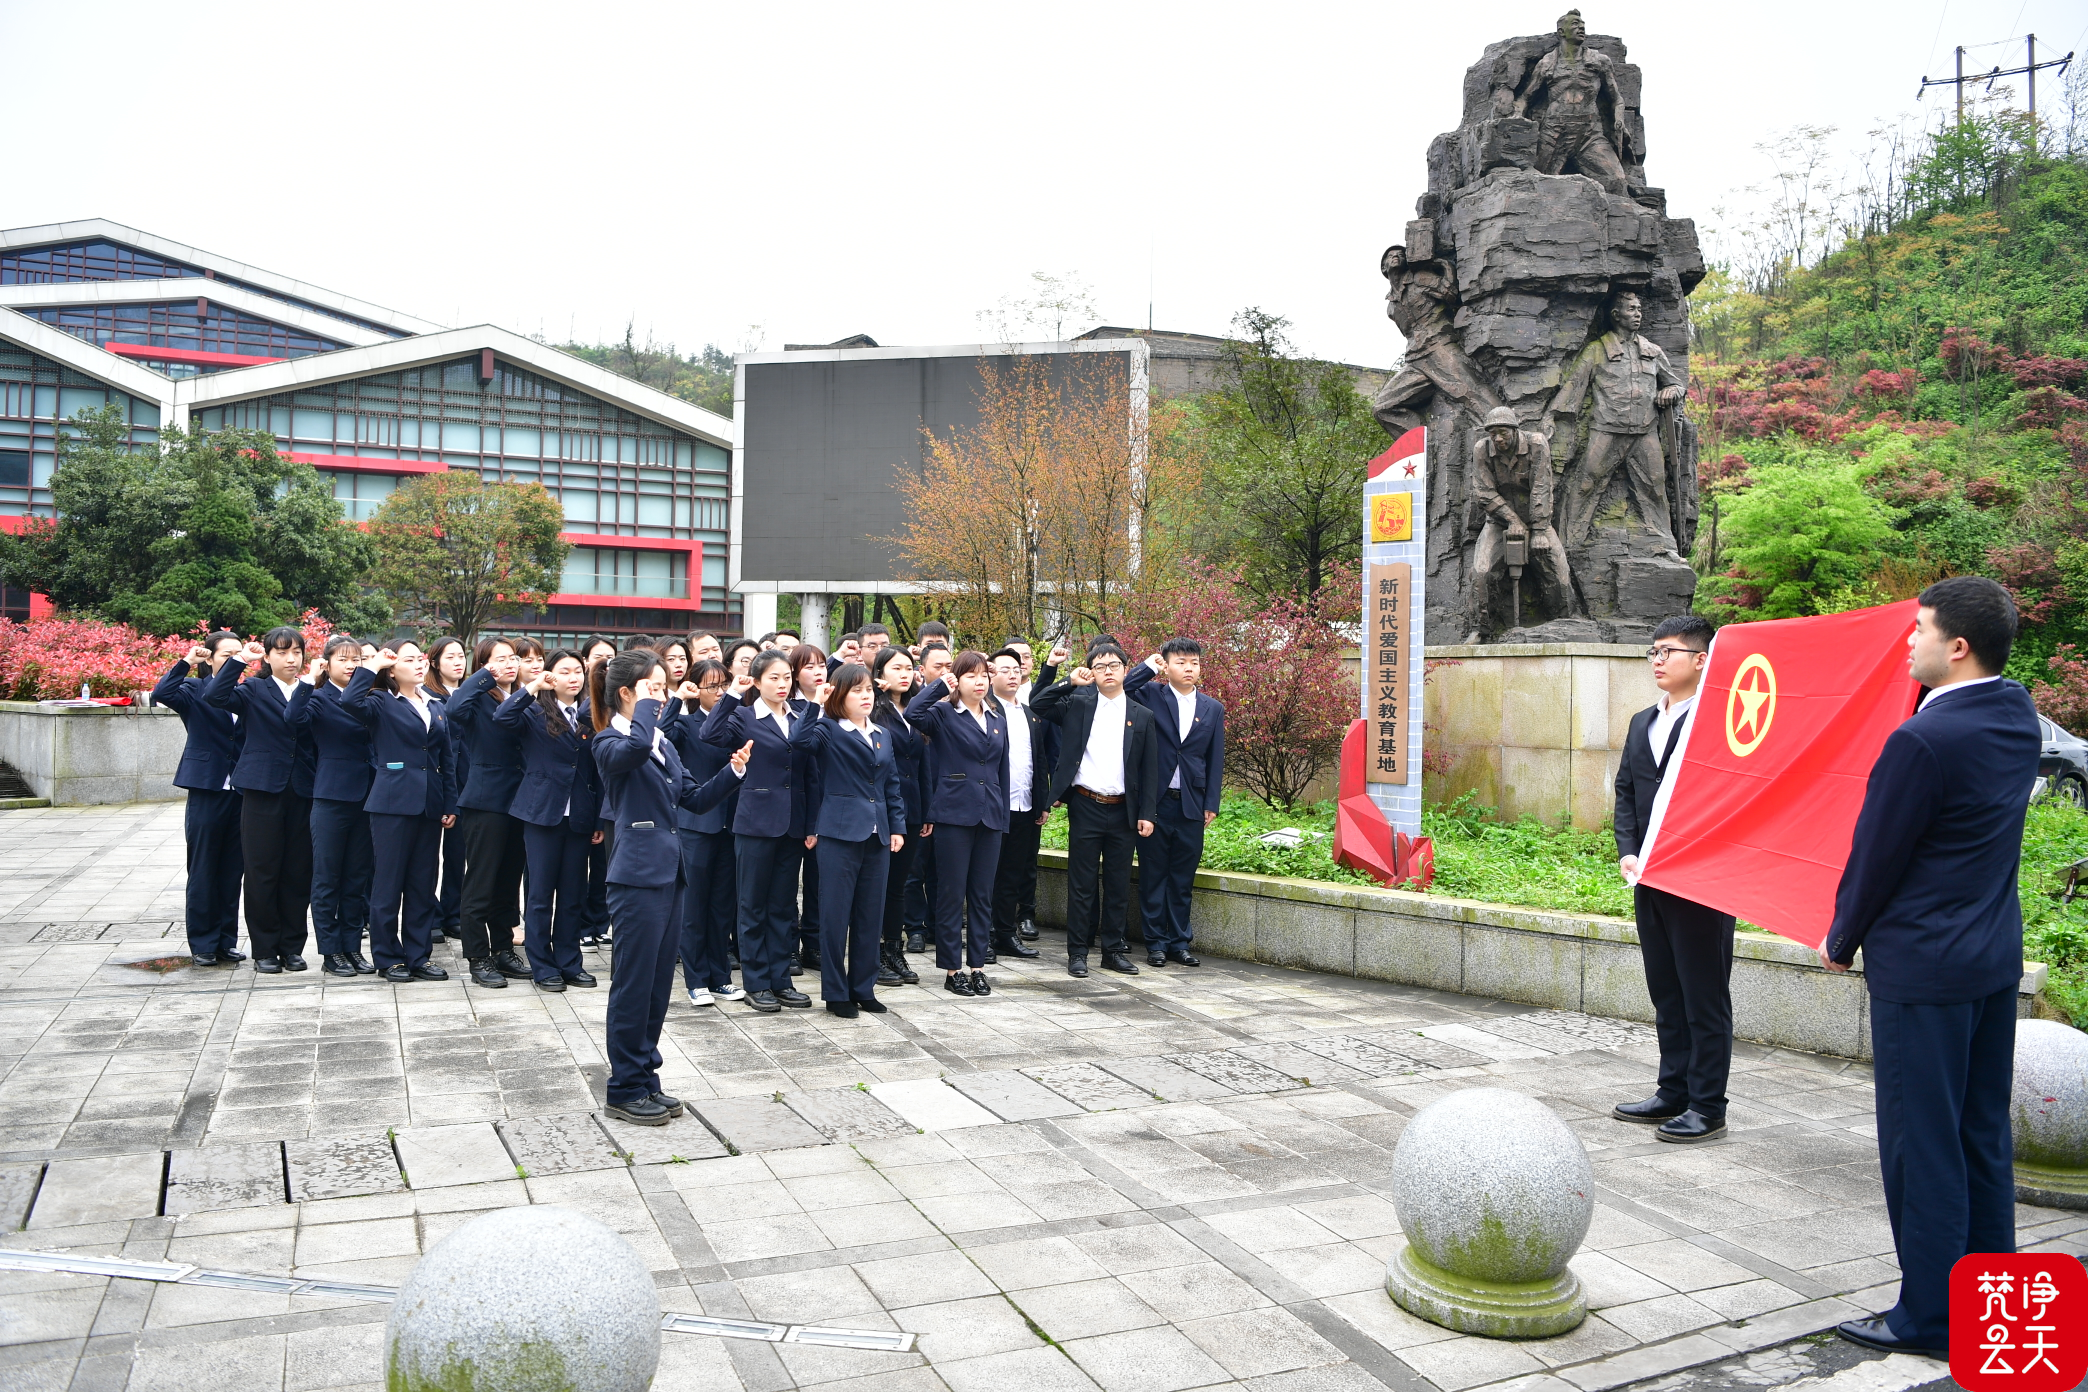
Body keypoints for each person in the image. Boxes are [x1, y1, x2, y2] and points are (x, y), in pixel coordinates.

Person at [1824, 577, 2041, 1359]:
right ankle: (1992, 1299)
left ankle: (1929, 1318)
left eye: (1918, 629)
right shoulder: (2015, 717)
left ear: (1957, 647)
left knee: (1922, 1145)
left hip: (1922, 967)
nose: (1907, 641)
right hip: (1989, 959)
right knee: (1981, 1133)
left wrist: (1841, 937)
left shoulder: (1920, 739)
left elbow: (1878, 854)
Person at [591, 649, 746, 1125]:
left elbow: (694, 799)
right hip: (635, 876)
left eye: (661, 689)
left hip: (669, 870)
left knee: (658, 987)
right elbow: (632, 750)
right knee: (633, 985)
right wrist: (644, 709)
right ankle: (623, 1087)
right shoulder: (610, 741)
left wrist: (734, 771)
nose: (661, 697)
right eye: (652, 689)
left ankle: (646, 1077)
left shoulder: (658, 740)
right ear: (626, 693)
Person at [1612, 615, 1735, 1143]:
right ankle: (1673, 1090)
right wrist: (1629, 852)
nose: (1658, 661)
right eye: (1653, 652)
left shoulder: (1719, 721)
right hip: (1650, 879)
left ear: (1701, 659)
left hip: (1701, 882)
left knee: (1704, 995)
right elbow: (1626, 793)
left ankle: (1708, 1105)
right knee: (1665, 989)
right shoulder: (1643, 722)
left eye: (1669, 651)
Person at [1032, 645, 1159, 978]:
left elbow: (1150, 770)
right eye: (1099, 665)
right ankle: (1077, 952)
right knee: (1082, 883)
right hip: (1086, 804)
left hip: (1124, 811)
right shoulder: (1078, 704)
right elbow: (1038, 703)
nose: (1107, 670)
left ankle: (1113, 951)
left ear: (1126, 670)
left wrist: (1148, 813)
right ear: (1091, 671)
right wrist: (1069, 681)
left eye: (1114, 664)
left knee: (1118, 885)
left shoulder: (1142, 715)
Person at [791, 664, 908, 1016]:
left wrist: (898, 827)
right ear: (840, 695)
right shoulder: (827, 729)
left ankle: (863, 987)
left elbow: (891, 785)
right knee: (834, 914)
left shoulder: (882, 734)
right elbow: (798, 741)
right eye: (857, 690)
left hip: (878, 833)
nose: (866, 696)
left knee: (870, 914)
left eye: (869, 690)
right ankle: (836, 992)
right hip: (839, 832)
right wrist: (815, 703)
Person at [702, 649, 813, 1012]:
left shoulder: (800, 714)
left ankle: (781, 980)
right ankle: (756, 982)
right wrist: (734, 691)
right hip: (755, 822)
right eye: (773, 678)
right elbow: (710, 733)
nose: (782, 684)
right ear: (758, 680)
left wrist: (811, 824)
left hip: (793, 823)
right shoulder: (744, 717)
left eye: (786, 678)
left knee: (783, 905)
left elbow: (810, 774)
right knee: (751, 904)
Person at [207, 626, 318, 973]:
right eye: (282, 652)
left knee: (298, 871)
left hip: (303, 788)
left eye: (296, 652)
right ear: (268, 657)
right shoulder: (255, 688)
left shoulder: (312, 689)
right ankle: (265, 949)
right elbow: (215, 696)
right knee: (261, 870)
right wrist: (240, 660)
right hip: (261, 789)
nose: (291, 659)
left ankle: (293, 947)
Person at [348, 642, 459, 981]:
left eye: (421, 658)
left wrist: (449, 802)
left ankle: (418, 955)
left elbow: (446, 759)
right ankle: (387, 957)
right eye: (408, 659)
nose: (418, 664)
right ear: (392, 669)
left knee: (423, 884)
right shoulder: (381, 701)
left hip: (429, 804)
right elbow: (349, 701)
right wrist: (372, 666)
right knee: (388, 883)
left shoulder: (435, 705)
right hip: (392, 803)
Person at [495, 649, 602, 993]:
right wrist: (532, 687)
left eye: (578, 672)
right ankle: (542, 965)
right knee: (540, 894)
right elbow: (501, 718)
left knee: (573, 894)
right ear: (551, 676)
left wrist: (598, 816)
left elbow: (597, 771)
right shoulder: (535, 711)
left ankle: (570, 962)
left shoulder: (590, 714)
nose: (573, 678)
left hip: (580, 815)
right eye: (565, 671)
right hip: (542, 813)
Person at [906, 651, 1010, 997]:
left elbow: (1001, 770)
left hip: (990, 814)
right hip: (953, 814)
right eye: (971, 676)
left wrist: (1002, 814)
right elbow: (912, 713)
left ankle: (977, 966)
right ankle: (953, 970)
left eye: (984, 676)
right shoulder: (943, 713)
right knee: (951, 894)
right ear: (958, 679)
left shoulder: (997, 715)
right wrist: (939, 686)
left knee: (982, 895)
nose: (979, 682)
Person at [1125, 638, 1225, 967]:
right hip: (1155, 802)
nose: (1189, 668)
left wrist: (1211, 801)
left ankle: (1179, 941)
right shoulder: (1151, 694)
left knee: (1182, 877)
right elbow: (1120, 688)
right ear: (1167, 666)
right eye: (1181, 662)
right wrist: (1149, 667)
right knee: (1154, 875)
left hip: (1192, 804)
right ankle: (1155, 942)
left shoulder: (1212, 707)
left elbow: (1215, 758)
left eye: (1194, 662)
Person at [153, 631, 248, 966]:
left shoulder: (245, 693)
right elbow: (161, 693)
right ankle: (204, 944)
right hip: (207, 789)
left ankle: (226, 941)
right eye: (227, 654)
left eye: (240, 654)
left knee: (232, 870)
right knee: (204, 868)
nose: (236, 659)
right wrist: (186, 662)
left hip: (241, 792)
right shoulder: (194, 690)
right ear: (210, 658)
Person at [288, 635, 377, 977]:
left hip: (367, 797)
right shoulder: (319, 697)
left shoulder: (369, 696)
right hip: (330, 797)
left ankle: (353, 948)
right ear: (328, 662)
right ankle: (330, 951)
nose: (352, 665)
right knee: (327, 877)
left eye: (356, 659)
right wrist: (310, 678)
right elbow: (293, 717)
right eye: (343, 659)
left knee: (357, 878)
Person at [661, 659, 747, 1007]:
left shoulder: (736, 721)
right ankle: (696, 980)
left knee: (722, 907)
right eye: (712, 686)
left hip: (731, 823)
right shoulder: (685, 721)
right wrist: (677, 699)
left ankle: (720, 977)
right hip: (695, 824)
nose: (721, 691)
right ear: (696, 687)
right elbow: (661, 735)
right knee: (694, 907)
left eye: (724, 684)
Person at [447, 637, 533, 987]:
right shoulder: (478, 698)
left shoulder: (526, 696)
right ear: (483, 664)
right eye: (499, 659)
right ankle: (478, 956)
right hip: (486, 802)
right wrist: (485, 676)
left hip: (520, 802)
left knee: (508, 884)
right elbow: (453, 710)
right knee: (481, 882)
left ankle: (503, 950)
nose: (509, 664)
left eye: (513, 658)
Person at [986, 648, 1052, 962]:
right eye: (1004, 670)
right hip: (993, 806)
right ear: (990, 674)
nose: (1012, 674)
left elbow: (1037, 761)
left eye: (1016, 669)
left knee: (1013, 874)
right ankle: (982, 936)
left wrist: (1042, 802)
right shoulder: (983, 709)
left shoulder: (1029, 714)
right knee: (988, 875)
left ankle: (1005, 934)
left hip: (1024, 805)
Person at [870, 646, 925, 988]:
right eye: (897, 668)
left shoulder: (917, 710)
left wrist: (927, 808)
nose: (905, 674)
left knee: (899, 886)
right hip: (882, 808)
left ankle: (894, 948)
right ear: (880, 675)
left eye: (909, 668)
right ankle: (873, 953)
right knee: (877, 884)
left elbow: (925, 765)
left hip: (912, 808)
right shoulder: (874, 711)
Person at [423, 636, 469, 944]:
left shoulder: (474, 694)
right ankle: (430, 915)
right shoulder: (425, 695)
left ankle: (454, 914)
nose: (458, 661)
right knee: (428, 857)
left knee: (458, 855)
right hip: (434, 783)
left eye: (462, 656)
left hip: (468, 784)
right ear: (435, 662)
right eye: (450, 656)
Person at [787, 644, 830, 972]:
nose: (817, 672)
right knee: (788, 882)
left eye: (821, 665)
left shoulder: (836, 705)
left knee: (819, 881)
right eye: (809, 667)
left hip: (830, 804)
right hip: (795, 804)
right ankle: (788, 944)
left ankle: (813, 944)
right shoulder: (790, 707)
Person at [577, 636, 622, 948]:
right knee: (583, 865)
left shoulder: (623, 699)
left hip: (611, 797)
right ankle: (583, 924)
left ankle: (601, 921)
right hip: (586, 794)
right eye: (598, 657)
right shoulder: (587, 700)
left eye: (611, 657)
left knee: (605, 868)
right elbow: (586, 716)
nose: (605, 662)